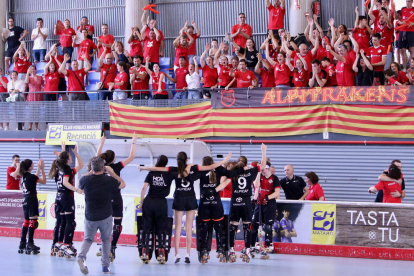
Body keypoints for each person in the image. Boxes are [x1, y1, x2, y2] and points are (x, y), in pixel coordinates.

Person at [139, 151, 232, 264]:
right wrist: (224, 160)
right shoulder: (194, 167)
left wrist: (144, 168)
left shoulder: (174, 169)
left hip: (178, 197)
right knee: (188, 228)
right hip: (190, 198)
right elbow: (211, 167)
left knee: (177, 227)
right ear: (187, 159)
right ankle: (187, 254)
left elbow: (158, 169)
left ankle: (176, 254)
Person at [216, 144, 267, 263]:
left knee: (233, 226)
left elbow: (223, 184)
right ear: (246, 164)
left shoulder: (234, 173)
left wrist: (213, 191)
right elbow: (263, 165)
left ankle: (231, 249)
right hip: (246, 202)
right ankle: (247, 249)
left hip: (235, 202)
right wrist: (263, 151)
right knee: (247, 226)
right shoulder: (250, 172)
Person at [192, 156, 245, 263]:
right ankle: (221, 249)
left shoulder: (201, 170)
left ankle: (204, 251)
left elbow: (190, 178)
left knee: (205, 228)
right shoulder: (219, 169)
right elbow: (230, 174)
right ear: (213, 162)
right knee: (219, 228)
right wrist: (242, 169)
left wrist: (191, 167)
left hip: (204, 203)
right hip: (216, 203)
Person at [77, 157, 126, 274]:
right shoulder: (109, 180)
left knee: (88, 239)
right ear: (103, 168)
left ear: (91, 168)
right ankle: (105, 266)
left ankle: (81, 256)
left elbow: (79, 185)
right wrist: (112, 173)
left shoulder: (85, 180)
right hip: (106, 216)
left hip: (90, 216)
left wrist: (91, 171)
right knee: (105, 240)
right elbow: (123, 185)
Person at [95, 133, 137, 260]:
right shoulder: (117, 166)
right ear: (113, 158)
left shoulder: (101, 167)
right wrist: (133, 141)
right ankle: (112, 247)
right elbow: (132, 157)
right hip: (116, 199)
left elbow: (95, 158)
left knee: (105, 224)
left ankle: (104, 247)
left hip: (104, 200)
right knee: (117, 224)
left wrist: (101, 142)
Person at [49, 145, 84, 258]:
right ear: (67, 159)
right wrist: (77, 190)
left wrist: (76, 153)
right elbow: (65, 183)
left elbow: (81, 165)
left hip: (59, 197)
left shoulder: (60, 169)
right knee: (70, 222)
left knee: (62, 222)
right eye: (70, 156)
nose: (71, 157)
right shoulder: (67, 169)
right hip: (66, 197)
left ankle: (58, 244)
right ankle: (67, 245)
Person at [139, 155, 173, 264]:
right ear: (166, 164)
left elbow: (144, 188)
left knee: (147, 227)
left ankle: (144, 249)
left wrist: (141, 202)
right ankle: (161, 250)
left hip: (149, 201)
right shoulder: (169, 173)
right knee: (161, 228)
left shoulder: (151, 173)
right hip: (161, 203)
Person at [13, 158, 46, 254]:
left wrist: (39, 169)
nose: (34, 166)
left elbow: (34, 178)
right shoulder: (31, 177)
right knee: (33, 222)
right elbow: (43, 181)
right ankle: (30, 243)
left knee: (26, 221)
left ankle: (22, 242)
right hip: (31, 199)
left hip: (24, 199)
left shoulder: (23, 176)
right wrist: (42, 169)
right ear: (30, 167)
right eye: (33, 165)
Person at [251, 163, 280, 259]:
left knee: (268, 225)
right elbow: (256, 186)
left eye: (263, 169)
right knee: (254, 223)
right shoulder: (260, 176)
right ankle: (253, 244)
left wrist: (267, 198)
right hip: (259, 203)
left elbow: (277, 192)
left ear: (268, 169)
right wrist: (259, 173)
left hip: (269, 203)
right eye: (261, 169)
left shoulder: (274, 178)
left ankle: (268, 244)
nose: (262, 171)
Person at [25, 66, 44, 131]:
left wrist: (42, 89)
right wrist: (27, 73)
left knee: (37, 112)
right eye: (31, 69)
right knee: (31, 112)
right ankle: (30, 126)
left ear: (36, 70)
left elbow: (44, 85)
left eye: (33, 69)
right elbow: (26, 82)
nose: (32, 70)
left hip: (38, 96)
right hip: (31, 96)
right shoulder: (29, 77)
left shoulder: (40, 77)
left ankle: (36, 126)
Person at [397, 0, 414, 71]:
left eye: (409, 1)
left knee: (412, 50)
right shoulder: (403, 9)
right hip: (403, 31)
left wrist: (412, 23)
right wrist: (402, 22)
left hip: (411, 31)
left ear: (412, 2)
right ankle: (404, 68)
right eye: (407, 1)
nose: (408, 3)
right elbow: (398, 20)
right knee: (402, 50)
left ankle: (411, 67)